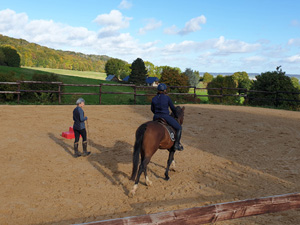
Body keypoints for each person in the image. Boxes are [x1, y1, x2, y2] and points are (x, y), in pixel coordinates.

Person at [151, 83, 183, 151]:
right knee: (179, 128)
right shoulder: (167, 98)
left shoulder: (154, 98)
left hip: (155, 117)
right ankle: (176, 145)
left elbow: (152, 109)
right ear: (165, 90)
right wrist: (176, 115)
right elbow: (172, 108)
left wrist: (156, 114)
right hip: (165, 116)